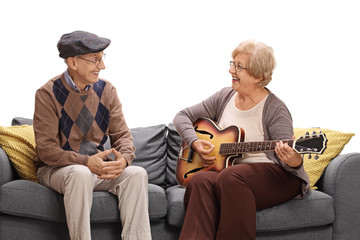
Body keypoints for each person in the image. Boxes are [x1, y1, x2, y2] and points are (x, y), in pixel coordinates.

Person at [173, 40, 310, 240]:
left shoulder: (275, 108)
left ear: (258, 76)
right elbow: (182, 116)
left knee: (231, 177)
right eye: (232, 64)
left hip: (277, 176)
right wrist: (194, 142)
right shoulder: (224, 96)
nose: (230, 70)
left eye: (239, 67)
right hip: (230, 176)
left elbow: (289, 159)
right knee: (201, 180)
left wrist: (294, 160)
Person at [33, 30, 152, 240]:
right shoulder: (47, 94)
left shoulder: (107, 90)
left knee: (137, 174)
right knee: (80, 173)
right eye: (95, 60)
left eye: (102, 58)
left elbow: (123, 135)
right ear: (73, 62)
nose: (102, 66)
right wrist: (86, 162)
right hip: (57, 170)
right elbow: (47, 151)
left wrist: (124, 160)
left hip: (95, 170)